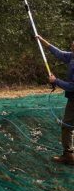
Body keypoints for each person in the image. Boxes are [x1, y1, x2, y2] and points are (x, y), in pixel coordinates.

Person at [37, 35, 74, 165]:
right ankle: (68, 154)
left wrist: (56, 81)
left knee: (67, 126)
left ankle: (68, 155)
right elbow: (59, 53)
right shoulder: (72, 56)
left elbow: (72, 86)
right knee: (67, 127)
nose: (72, 44)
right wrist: (42, 41)